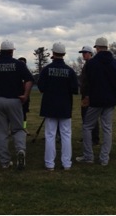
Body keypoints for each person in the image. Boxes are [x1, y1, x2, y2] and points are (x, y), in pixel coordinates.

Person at [0, 40, 34, 170]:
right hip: (15, 100)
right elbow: (29, 79)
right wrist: (25, 95)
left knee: (1, 132)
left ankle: (5, 161)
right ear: (12, 51)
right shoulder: (18, 64)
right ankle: (20, 150)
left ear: (0, 51)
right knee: (18, 129)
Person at [76, 37, 116, 166]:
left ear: (97, 48)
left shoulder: (92, 63)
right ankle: (104, 158)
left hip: (96, 99)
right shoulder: (115, 63)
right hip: (111, 100)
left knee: (87, 126)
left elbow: (86, 82)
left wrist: (87, 95)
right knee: (107, 129)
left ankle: (89, 156)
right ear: (107, 47)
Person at [38, 42, 78, 171]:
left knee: (50, 135)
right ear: (64, 54)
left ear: (53, 53)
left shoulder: (46, 69)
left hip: (50, 105)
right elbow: (74, 89)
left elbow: (41, 87)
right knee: (66, 135)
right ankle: (66, 163)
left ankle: (50, 164)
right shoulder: (70, 71)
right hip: (65, 105)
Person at [78, 45, 100, 146]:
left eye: (85, 52)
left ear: (90, 53)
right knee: (85, 117)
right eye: (83, 53)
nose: (83, 54)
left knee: (91, 117)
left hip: (89, 95)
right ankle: (88, 137)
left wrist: (88, 95)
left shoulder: (91, 65)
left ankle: (94, 138)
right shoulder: (87, 64)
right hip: (85, 94)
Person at [18, 57, 31, 135]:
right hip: (17, 97)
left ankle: (24, 127)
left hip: (25, 97)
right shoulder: (15, 74)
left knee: (24, 113)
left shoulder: (27, 74)